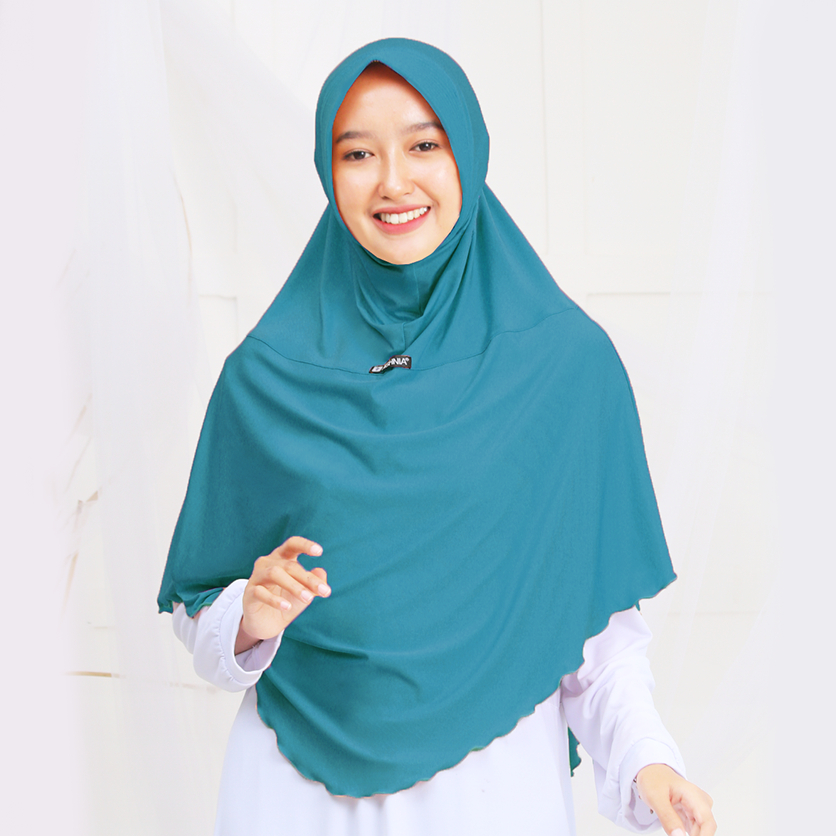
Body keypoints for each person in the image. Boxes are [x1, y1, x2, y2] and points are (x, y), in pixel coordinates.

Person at [158, 38, 716, 836]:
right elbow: (202, 610)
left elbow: (592, 633)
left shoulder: (565, 370)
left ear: (469, 154)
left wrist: (648, 762)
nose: (393, 182)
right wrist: (250, 613)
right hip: (291, 794)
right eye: (358, 154)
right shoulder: (265, 378)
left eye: (424, 145)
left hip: (491, 798)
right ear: (328, 172)